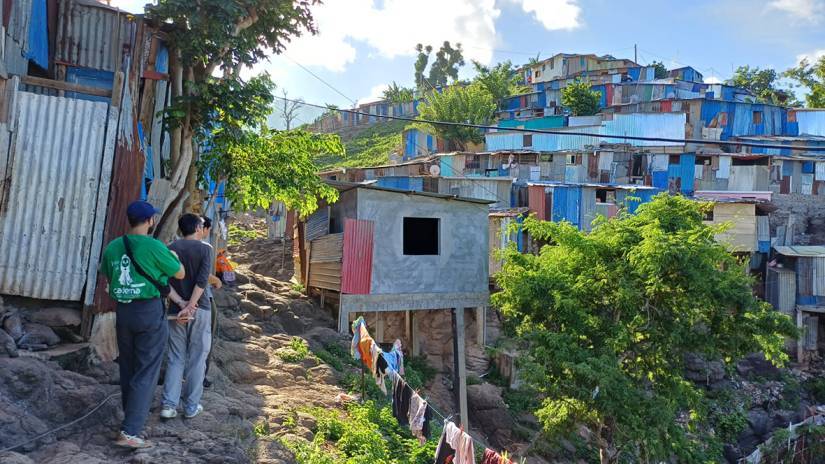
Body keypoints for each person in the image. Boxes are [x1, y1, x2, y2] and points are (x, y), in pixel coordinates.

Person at [99, 201, 185, 449]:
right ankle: (130, 431)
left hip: (123, 312)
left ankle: (131, 420)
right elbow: (179, 274)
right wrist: (173, 258)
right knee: (147, 370)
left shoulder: (114, 247)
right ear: (150, 221)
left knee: (128, 367)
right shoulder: (154, 246)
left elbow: (107, 273)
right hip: (148, 311)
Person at [160, 214, 214, 420]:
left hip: (175, 311)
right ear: (198, 227)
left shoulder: (169, 249)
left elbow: (164, 282)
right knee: (197, 359)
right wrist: (191, 306)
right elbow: (201, 281)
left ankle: (168, 405)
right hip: (199, 311)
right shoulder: (205, 249)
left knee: (175, 358)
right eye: (202, 226)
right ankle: (191, 406)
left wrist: (181, 304)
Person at [200, 215, 221, 388]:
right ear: (204, 229)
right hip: (203, 301)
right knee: (205, 342)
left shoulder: (174, 245)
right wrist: (216, 280)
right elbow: (202, 276)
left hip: (179, 301)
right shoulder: (205, 247)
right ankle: (200, 376)